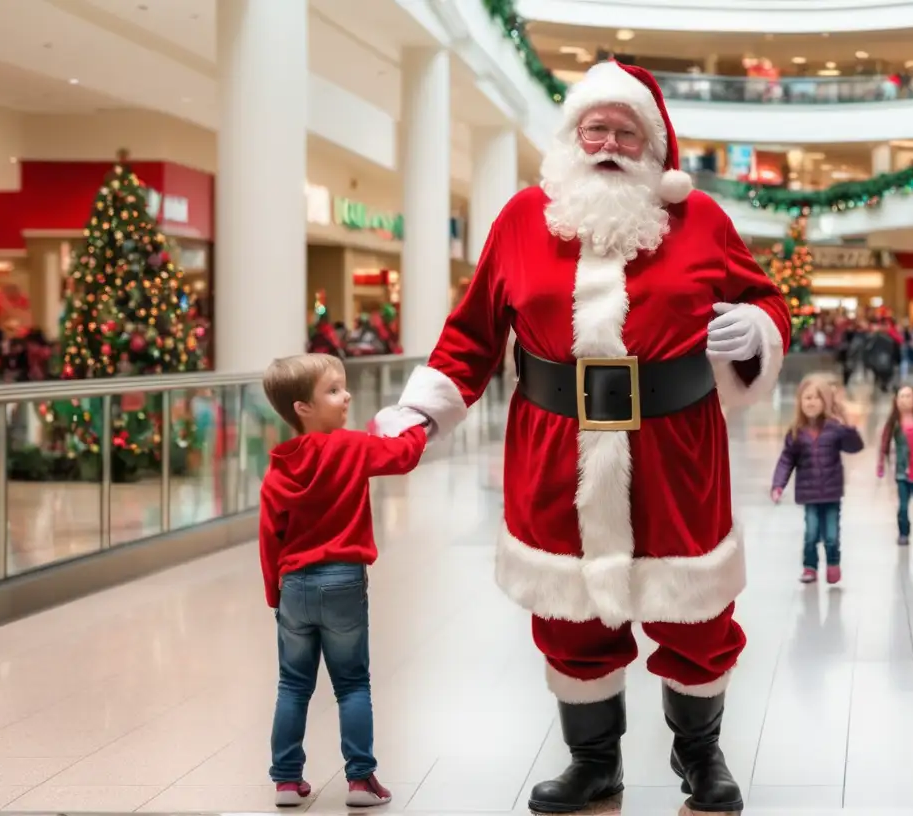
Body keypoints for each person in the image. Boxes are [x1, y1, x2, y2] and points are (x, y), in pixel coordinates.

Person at [368, 61, 791, 814]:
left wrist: (754, 328)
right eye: (595, 127)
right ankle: (593, 762)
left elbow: (764, 298)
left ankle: (701, 756)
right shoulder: (521, 218)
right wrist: (423, 410)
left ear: (655, 148)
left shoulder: (703, 221)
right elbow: (471, 334)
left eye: (628, 131)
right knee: (570, 614)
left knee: (695, 613)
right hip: (553, 449)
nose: (609, 143)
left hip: (677, 449)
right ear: (571, 136)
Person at [258, 354, 428, 808]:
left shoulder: (278, 467)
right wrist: (415, 421)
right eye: (333, 390)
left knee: (293, 685)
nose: (346, 395)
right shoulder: (352, 448)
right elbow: (405, 455)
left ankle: (287, 781)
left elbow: (269, 537)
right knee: (352, 683)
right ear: (302, 408)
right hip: (344, 582)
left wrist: (275, 594)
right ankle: (360, 780)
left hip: (293, 585)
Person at [771, 374, 865, 584]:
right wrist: (778, 484)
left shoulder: (835, 428)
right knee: (811, 533)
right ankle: (809, 567)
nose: (811, 402)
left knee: (831, 535)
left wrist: (848, 426)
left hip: (831, 493)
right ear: (800, 402)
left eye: (816, 398)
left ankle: (833, 562)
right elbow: (786, 460)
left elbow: (855, 447)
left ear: (825, 401)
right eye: (807, 398)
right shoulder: (796, 432)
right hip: (809, 494)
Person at [876, 384, 913, 546]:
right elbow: (884, 444)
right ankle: (903, 533)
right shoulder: (893, 423)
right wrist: (881, 464)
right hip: (901, 472)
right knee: (902, 506)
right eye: (901, 396)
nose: (904, 400)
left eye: (908, 396)